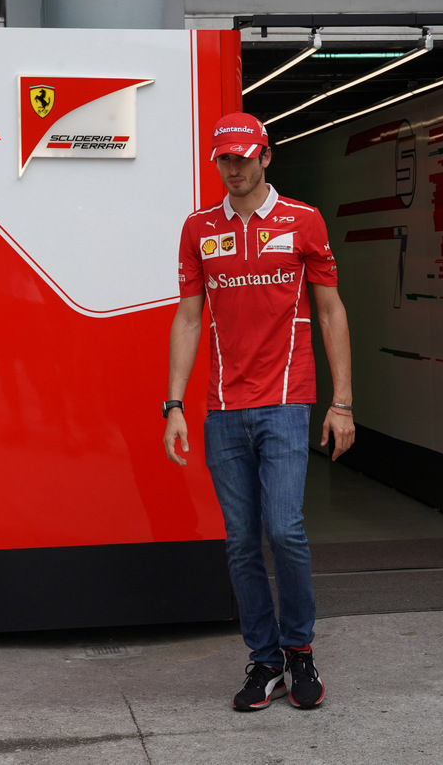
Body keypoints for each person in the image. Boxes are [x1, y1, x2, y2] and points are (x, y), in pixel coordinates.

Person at [163, 112, 355, 709]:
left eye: (244, 157)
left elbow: (330, 311)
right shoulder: (198, 228)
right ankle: (263, 659)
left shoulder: (304, 220)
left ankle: (300, 652)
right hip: (222, 408)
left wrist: (341, 402)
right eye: (225, 159)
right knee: (242, 541)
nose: (235, 168)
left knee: (284, 529)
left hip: (286, 402)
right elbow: (189, 318)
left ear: (266, 156)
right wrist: (173, 403)